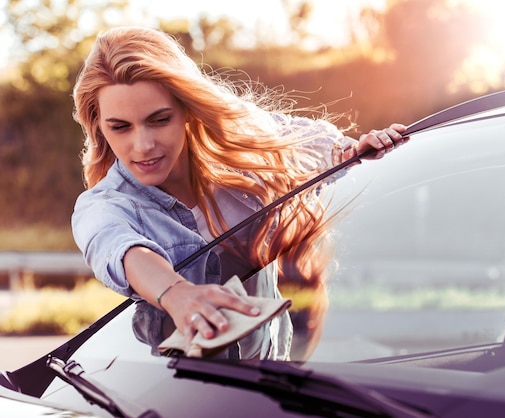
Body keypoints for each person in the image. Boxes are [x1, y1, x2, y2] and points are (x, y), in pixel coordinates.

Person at [71, 25, 407, 361]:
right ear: (98, 125)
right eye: (120, 127)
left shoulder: (243, 156)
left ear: (186, 110)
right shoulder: (104, 206)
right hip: (185, 396)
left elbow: (322, 148)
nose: (143, 145)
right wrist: (175, 292)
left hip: (274, 377)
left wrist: (362, 149)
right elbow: (117, 246)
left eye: (159, 120)